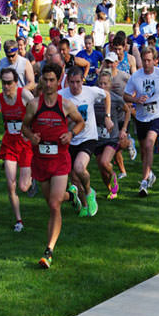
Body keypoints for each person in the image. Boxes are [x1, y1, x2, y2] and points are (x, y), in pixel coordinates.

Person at [21, 63, 85, 269]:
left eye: (52, 80)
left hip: (60, 160)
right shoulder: (34, 105)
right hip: (41, 160)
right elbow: (24, 127)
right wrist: (32, 136)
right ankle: (72, 195)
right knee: (51, 202)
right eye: (45, 80)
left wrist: (71, 134)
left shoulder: (65, 105)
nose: (48, 84)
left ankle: (48, 250)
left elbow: (80, 122)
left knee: (54, 205)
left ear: (59, 81)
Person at [123, 47, 159, 197]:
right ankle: (150, 174)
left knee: (149, 144)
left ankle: (143, 183)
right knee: (144, 151)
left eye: (149, 60)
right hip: (141, 117)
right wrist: (136, 100)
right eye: (144, 60)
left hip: (157, 115)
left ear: (155, 61)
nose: (147, 63)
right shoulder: (136, 77)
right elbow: (126, 95)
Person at [60, 66, 110, 217]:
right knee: (74, 178)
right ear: (67, 82)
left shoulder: (91, 91)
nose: (75, 86)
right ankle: (84, 205)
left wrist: (107, 116)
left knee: (80, 168)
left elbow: (107, 95)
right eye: (71, 82)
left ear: (82, 80)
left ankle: (90, 192)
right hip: (69, 139)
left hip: (88, 137)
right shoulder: (61, 96)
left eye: (78, 82)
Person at [0, 68, 35, 231]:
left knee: (24, 187)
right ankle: (19, 220)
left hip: (25, 144)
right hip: (10, 143)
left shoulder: (24, 95)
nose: (6, 86)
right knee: (11, 184)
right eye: (4, 83)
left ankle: (33, 178)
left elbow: (36, 114)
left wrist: (30, 133)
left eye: (9, 83)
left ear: (16, 82)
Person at [94, 71, 129, 199]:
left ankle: (113, 174)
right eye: (100, 83)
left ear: (110, 84)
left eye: (105, 83)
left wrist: (123, 129)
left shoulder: (115, 98)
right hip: (97, 138)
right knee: (102, 169)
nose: (102, 86)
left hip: (111, 137)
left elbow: (127, 111)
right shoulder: (94, 98)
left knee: (104, 162)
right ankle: (111, 190)